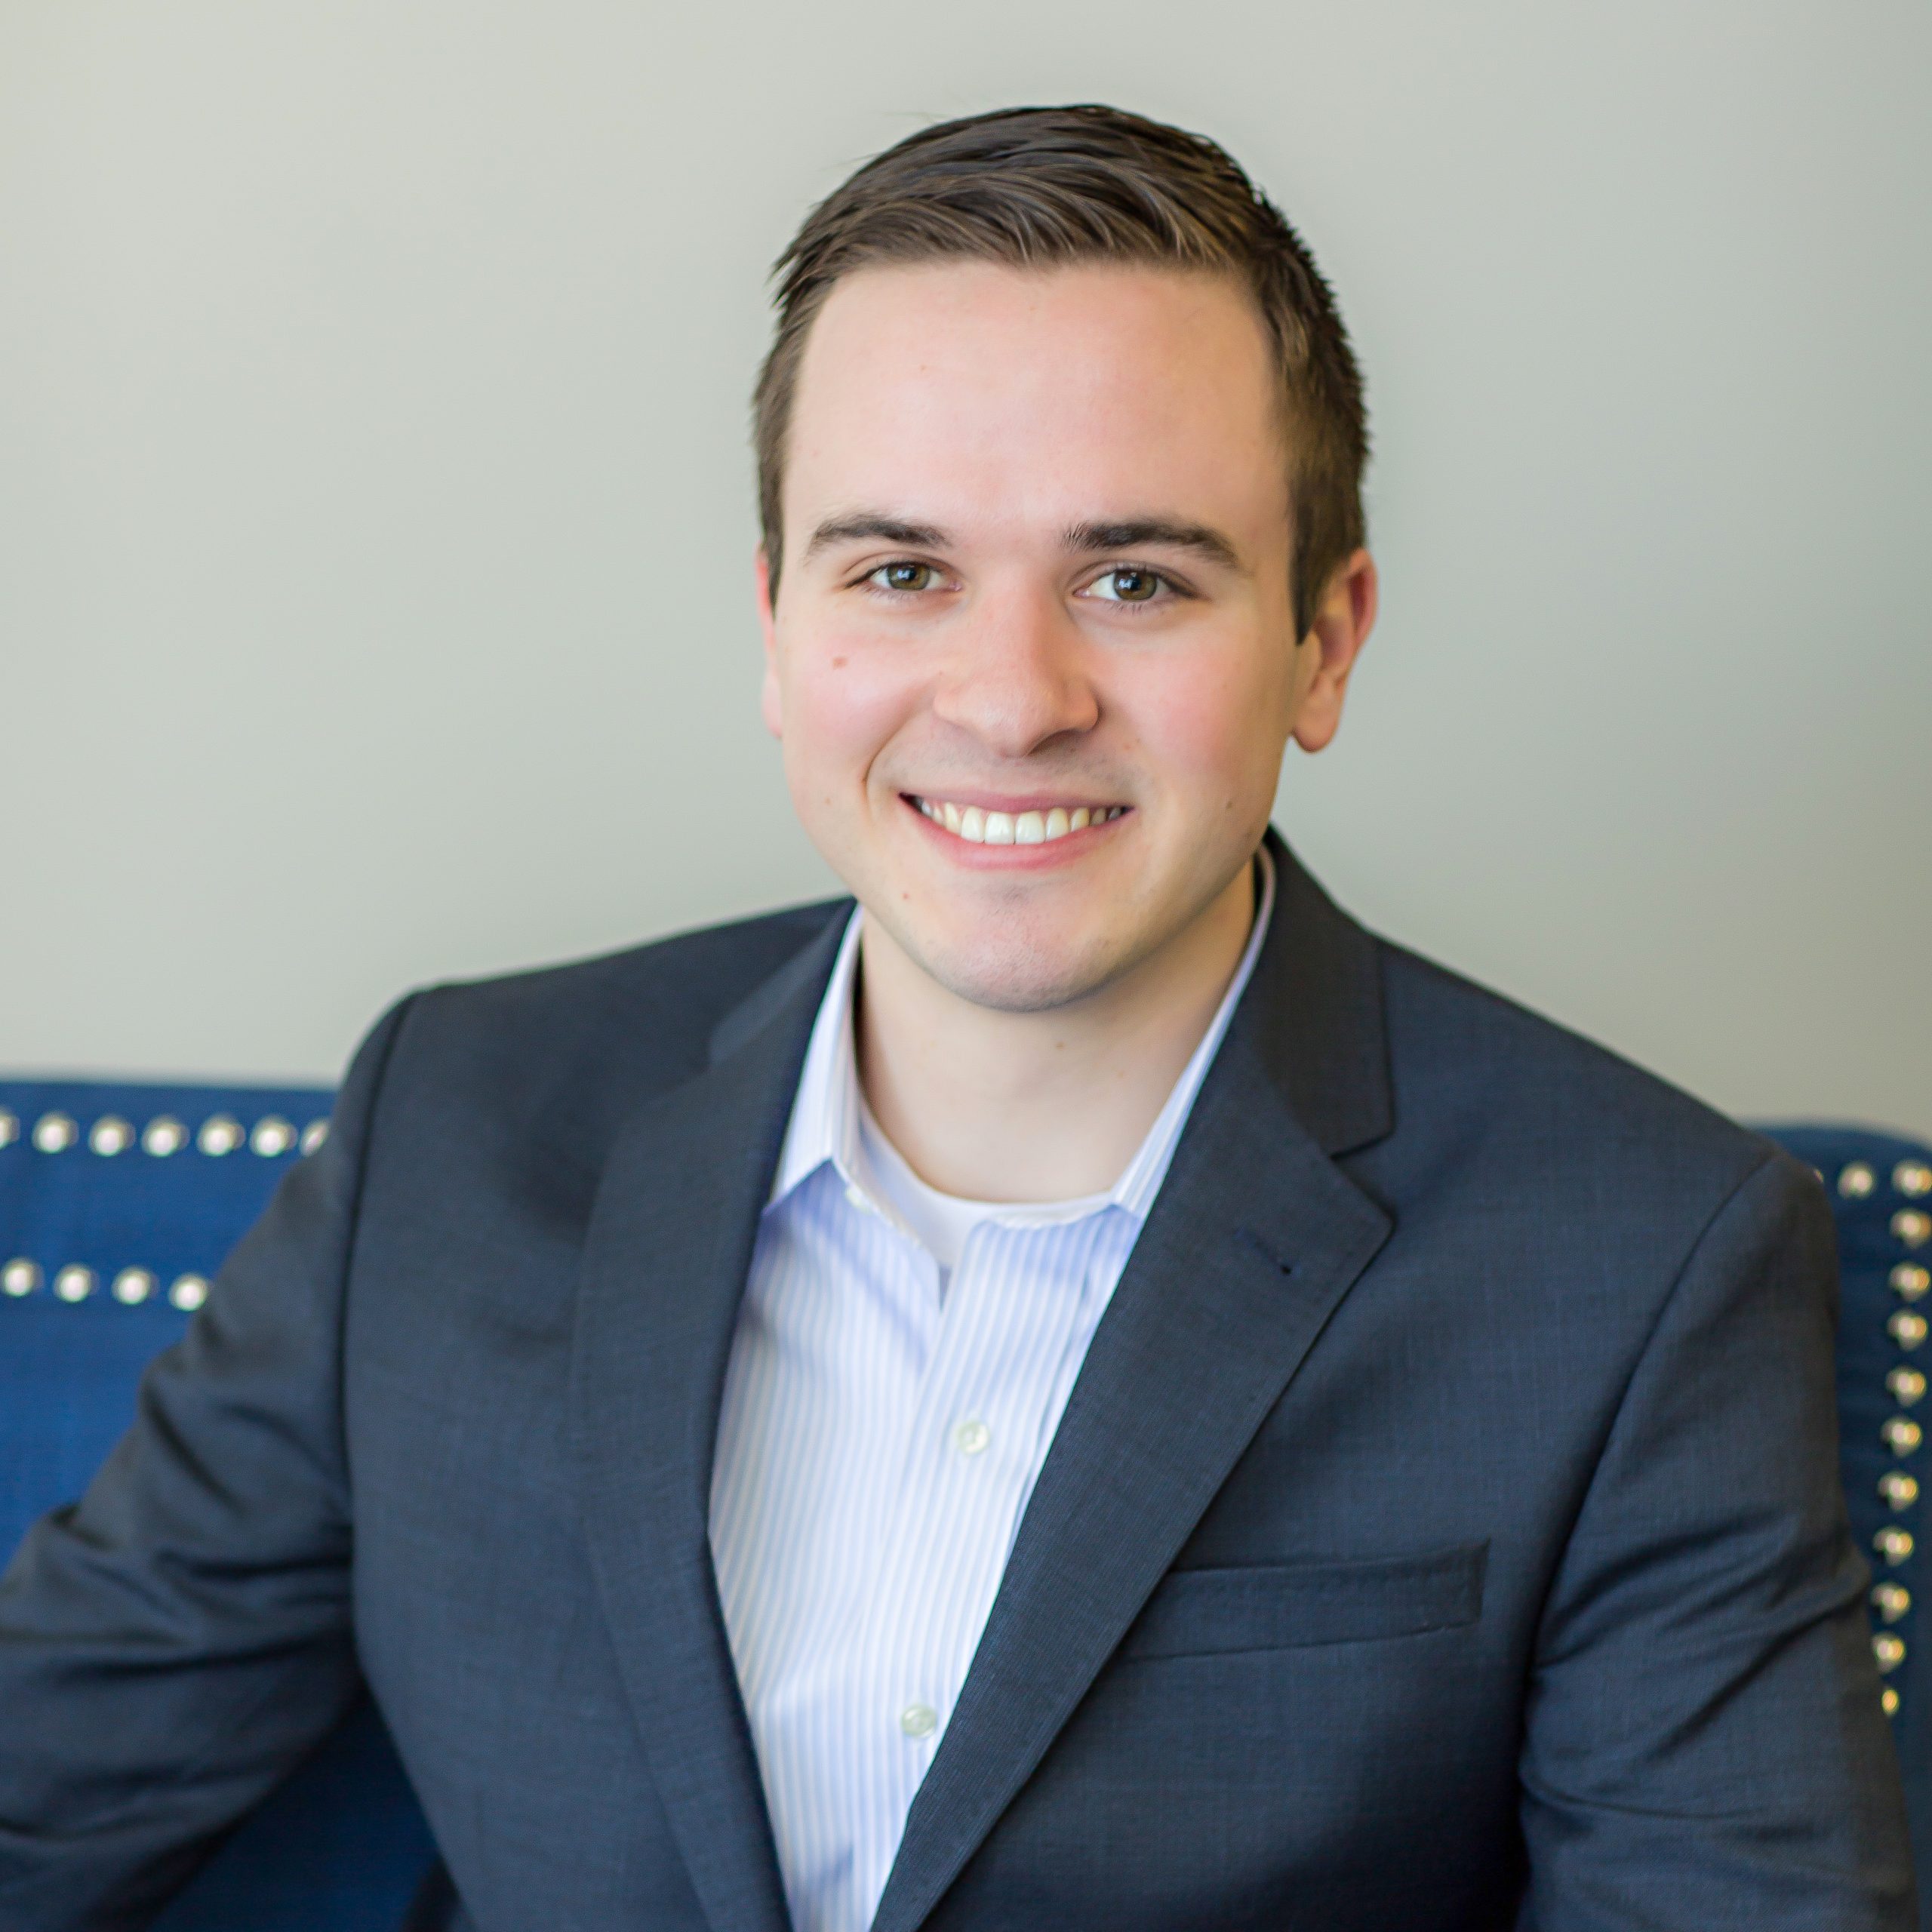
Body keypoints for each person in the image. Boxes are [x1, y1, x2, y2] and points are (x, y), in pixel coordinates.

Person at [0, 103, 1914, 1932]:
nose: (1009, 699)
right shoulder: (450, 1123)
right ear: (776, 624)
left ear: (1321, 641)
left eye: (1133, 577)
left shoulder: (1640, 1257)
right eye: (901, 571)